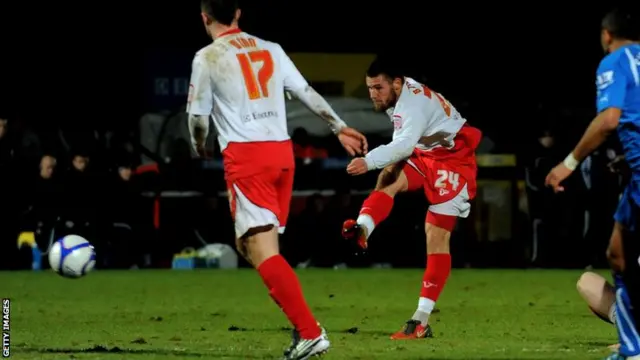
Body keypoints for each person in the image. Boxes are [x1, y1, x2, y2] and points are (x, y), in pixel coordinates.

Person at [187, 1, 368, 358]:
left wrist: (198, 146)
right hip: (282, 155)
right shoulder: (271, 49)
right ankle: (302, 326)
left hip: (247, 156)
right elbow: (305, 91)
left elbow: (197, 118)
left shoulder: (207, 57)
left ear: (204, 17)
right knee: (252, 247)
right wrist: (338, 127)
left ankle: (310, 331)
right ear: (238, 13)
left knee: (260, 250)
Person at [342, 55, 482, 339]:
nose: (373, 94)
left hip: (454, 161)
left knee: (436, 234)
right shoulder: (401, 94)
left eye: (378, 88)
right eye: (369, 88)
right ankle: (363, 227)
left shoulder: (412, 105)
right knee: (389, 176)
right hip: (428, 153)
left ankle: (420, 320)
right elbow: (406, 143)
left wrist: (368, 161)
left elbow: (404, 144)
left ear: (396, 83)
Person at [545, 8, 640, 360]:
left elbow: (609, 119)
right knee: (613, 258)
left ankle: (633, 348)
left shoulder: (616, 60)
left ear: (606, 35)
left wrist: (568, 163)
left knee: (618, 256)